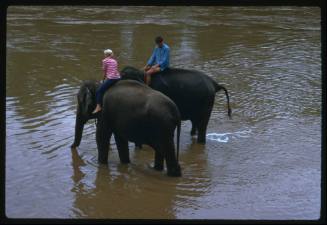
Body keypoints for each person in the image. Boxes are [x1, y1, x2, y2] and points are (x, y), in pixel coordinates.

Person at [92, 49, 120, 114]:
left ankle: (98, 106)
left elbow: (105, 72)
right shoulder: (115, 61)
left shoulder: (105, 61)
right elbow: (114, 70)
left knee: (99, 91)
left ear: (106, 55)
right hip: (118, 78)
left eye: (104, 54)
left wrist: (103, 79)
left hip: (111, 78)